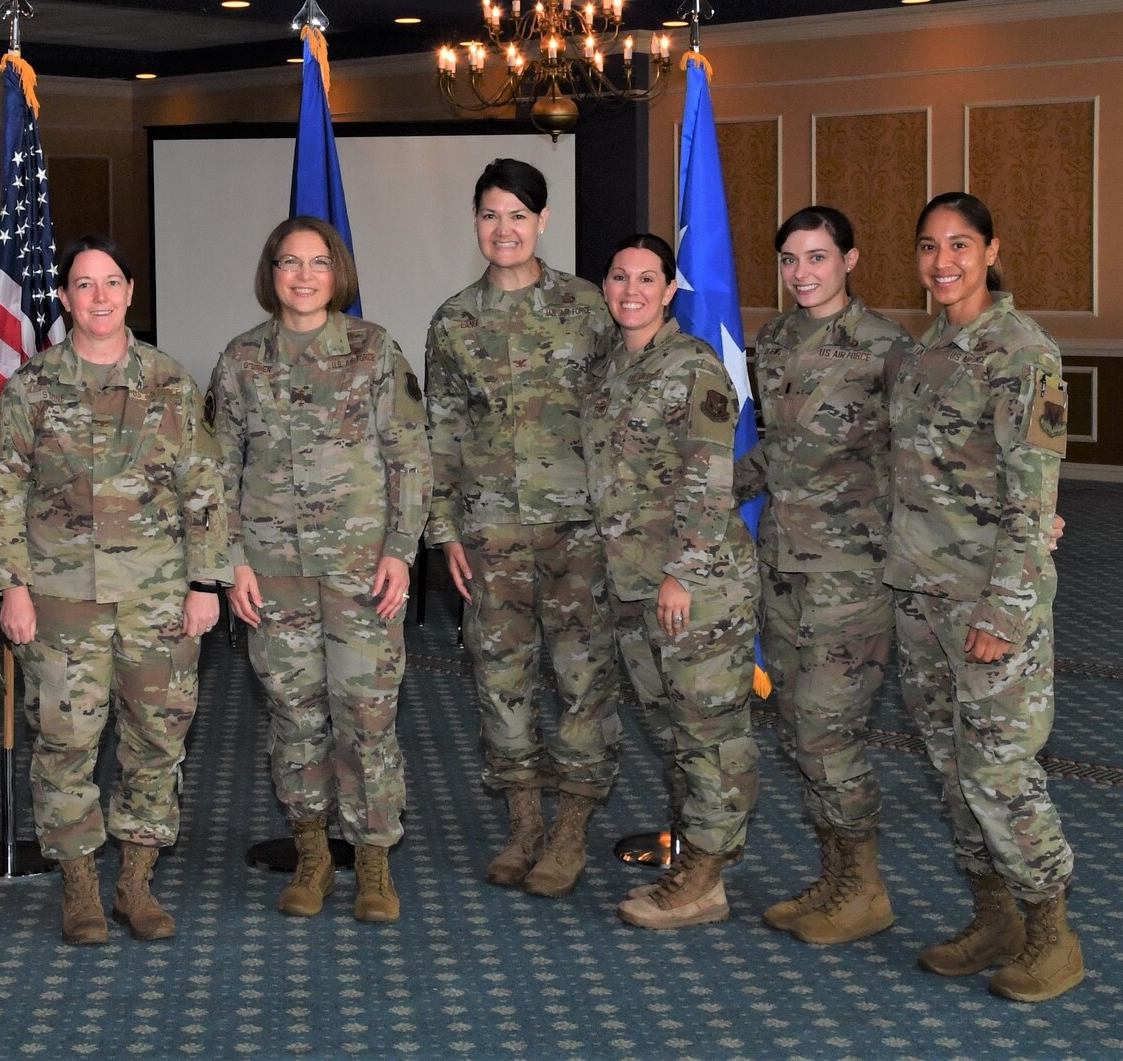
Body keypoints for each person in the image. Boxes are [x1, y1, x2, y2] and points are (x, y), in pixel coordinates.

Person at [0, 233, 229, 946]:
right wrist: (13, 587)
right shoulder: (32, 387)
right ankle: (82, 886)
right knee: (64, 742)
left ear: (129, 292)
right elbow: (3, 492)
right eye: (83, 285)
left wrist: (205, 581)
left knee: (157, 739)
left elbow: (203, 486)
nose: (98, 297)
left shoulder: (169, 381)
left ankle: (136, 882)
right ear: (64, 298)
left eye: (111, 283)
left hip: (157, 595)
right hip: (61, 599)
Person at [889, 192, 1081, 1002]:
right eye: (930, 246)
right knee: (952, 769)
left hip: (990, 606)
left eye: (960, 245)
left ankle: (1052, 935)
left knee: (1002, 772)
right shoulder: (924, 351)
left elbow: (1032, 500)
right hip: (923, 599)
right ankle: (994, 915)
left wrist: (1003, 614)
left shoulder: (1022, 352)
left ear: (991, 249)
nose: (943, 263)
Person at [209, 216, 428, 922]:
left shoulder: (373, 350)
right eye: (288, 263)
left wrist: (401, 549)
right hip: (272, 573)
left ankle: (371, 861)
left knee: (367, 716)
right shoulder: (241, 360)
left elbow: (410, 458)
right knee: (294, 715)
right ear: (269, 273)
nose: (303, 276)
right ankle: (311, 854)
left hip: (362, 570)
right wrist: (231, 563)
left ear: (339, 274)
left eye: (318, 263)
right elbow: (217, 473)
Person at [422, 158, 620, 898]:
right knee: (499, 683)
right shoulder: (453, 321)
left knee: (581, 682)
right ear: (475, 223)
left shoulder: (589, 309)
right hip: (490, 534)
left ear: (542, 221)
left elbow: (621, 415)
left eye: (517, 214)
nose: (502, 229)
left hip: (580, 531)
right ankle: (524, 823)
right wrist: (444, 532)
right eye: (489, 215)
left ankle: (570, 830)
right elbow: (439, 431)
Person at [734, 207, 912, 946]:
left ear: (851, 258)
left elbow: (920, 456)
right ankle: (837, 874)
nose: (801, 273)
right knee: (799, 730)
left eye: (816, 257)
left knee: (826, 727)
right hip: (784, 564)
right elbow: (777, 454)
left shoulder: (886, 348)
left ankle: (866, 885)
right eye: (788, 259)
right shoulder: (773, 341)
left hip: (853, 573)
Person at [584, 233, 760, 930]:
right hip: (632, 585)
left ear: (668, 291)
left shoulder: (693, 365)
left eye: (647, 278)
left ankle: (705, 882)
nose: (631, 289)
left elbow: (711, 473)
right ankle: (697, 857)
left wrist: (683, 570)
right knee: (673, 730)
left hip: (696, 585)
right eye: (620, 277)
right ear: (606, 288)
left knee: (709, 732)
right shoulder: (606, 370)